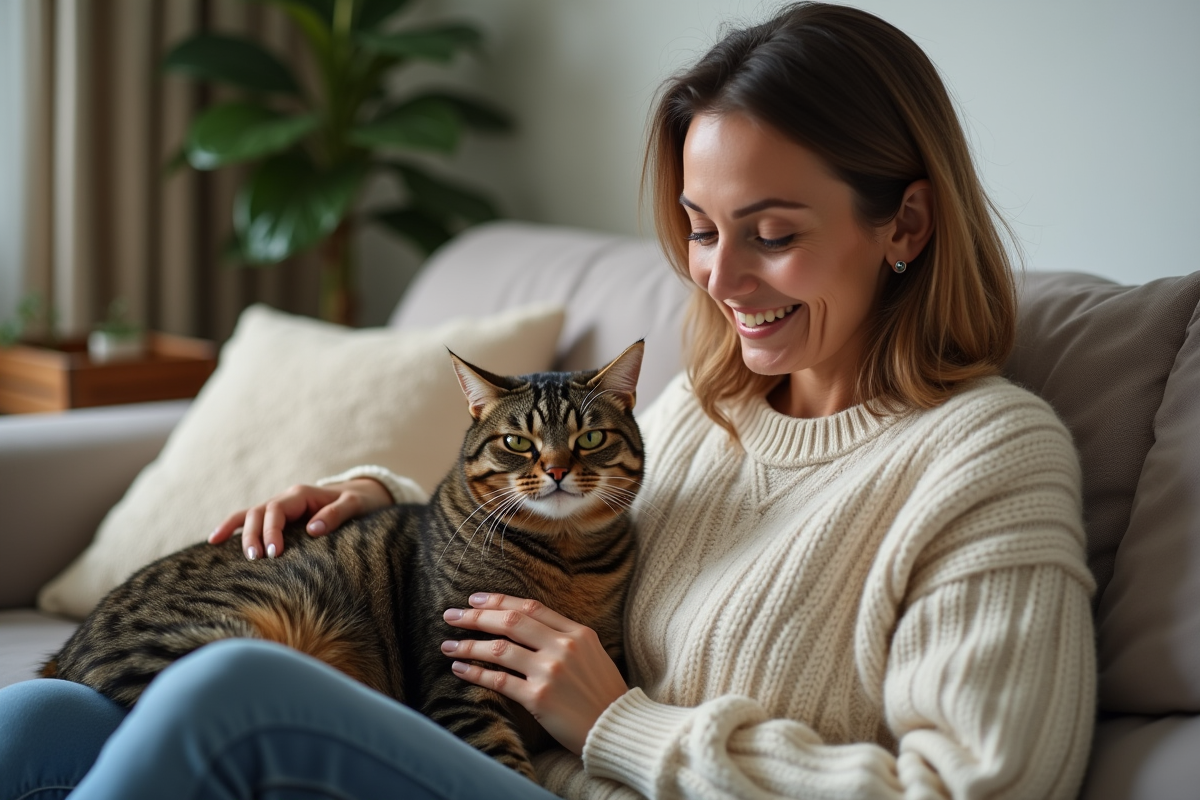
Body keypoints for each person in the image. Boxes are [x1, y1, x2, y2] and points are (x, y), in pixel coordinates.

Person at [0, 3, 1097, 798]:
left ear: (906, 224)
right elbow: (553, 508)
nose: (718, 279)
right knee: (46, 712)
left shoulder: (987, 457)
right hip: (522, 761)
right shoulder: (709, 411)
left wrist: (620, 722)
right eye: (700, 230)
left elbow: (975, 787)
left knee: (231, 690)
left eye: (771, 233)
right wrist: (377, 502)